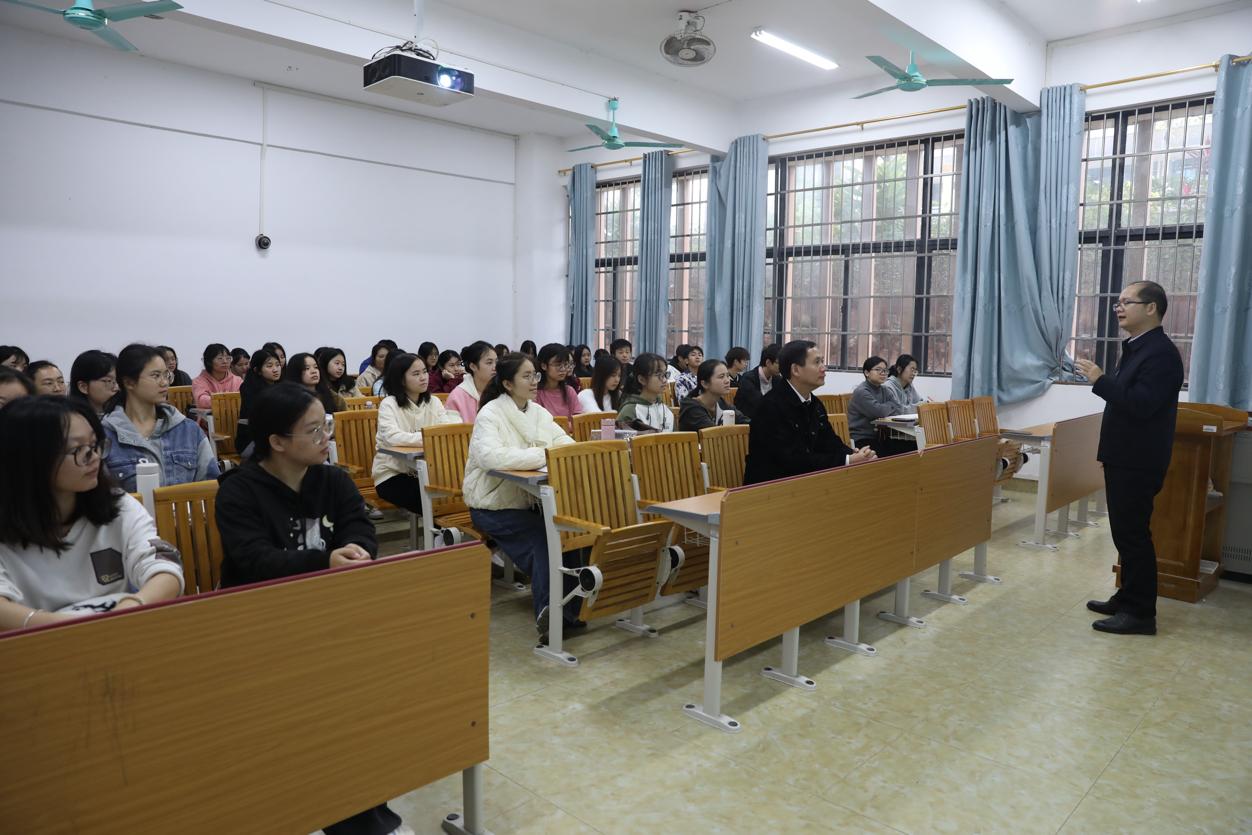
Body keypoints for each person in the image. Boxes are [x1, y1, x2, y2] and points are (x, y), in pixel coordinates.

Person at [214, 383, 410, 835]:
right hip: (261, 626)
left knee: (361, 709)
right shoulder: (239, 492)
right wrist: (325, 561)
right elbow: (255, 561)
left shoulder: (332, 479)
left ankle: (364, 811)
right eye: (314, 430)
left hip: (330, 618)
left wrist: (357, 550)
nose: (327, 437)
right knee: (309, 719)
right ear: (277, 441)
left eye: (327, 426)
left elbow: (360, 529)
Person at [0, 397, 184, 630]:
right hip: (37, 644)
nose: (95, 457)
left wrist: (135, 604)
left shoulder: (116, 505)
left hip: (117, 630)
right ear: (30, 459)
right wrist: (63, 627)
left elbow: (164, 567)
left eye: (95, 445)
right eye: (79, 450)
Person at [1076, 281, 1184, 637]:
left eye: (1126, 302)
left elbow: (1140, 405)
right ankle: (1127, 596)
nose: (1118, 308)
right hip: (1125, 456)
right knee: (1125, 535)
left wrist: (1100, 380)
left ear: (1151, 307)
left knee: (1134, 535)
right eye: (1117, 302)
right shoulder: (1138, 347)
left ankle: (1140, 614)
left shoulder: (1161, 354)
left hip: (1139, 460)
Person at [463, 353, 578, 638]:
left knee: (572, 534)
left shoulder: (538, 412)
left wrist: (546, 453)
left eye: (535, 375)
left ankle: (571, 611)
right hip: (492, 505)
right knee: (544, 539)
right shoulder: (490, 413)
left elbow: (566, 443)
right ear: (507, 384)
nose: (534, 381)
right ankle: (549, 614)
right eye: (526, 376)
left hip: (528, 502)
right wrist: (543, 454)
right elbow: (491, 457)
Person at [743, 341, 876, 484]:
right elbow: (792, 459)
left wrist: (854, 454)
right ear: (796, 370)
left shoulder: (814, 403)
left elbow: (829, 441)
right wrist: (847, 460)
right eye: (817, 362)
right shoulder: (771, 406)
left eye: (822, 361)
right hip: (771, 487)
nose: (824, 368)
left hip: (804, 481)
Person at [102, 344, 220, 491]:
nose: (164, 382)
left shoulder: (188, 430)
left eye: (166, 375)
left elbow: (211, 486)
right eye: (156, 375)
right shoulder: (105, 435)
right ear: (129, 382)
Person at [371, 354, 460, 514]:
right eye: (416, 374)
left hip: (428, 471)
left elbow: (446, 432)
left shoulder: (433, 402)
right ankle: (441, 529)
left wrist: (427, 437)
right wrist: (429, 438)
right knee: (437, 503)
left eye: (425, 372)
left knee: (458, 493)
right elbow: (392, 437)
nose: (423, 377)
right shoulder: (389, 404)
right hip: (392, 474)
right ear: (401, 379)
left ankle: (443, 528)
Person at [848, 356, 913, 457]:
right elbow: (879, 412)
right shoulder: (862, 392)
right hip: (862, 438)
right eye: (878, 369)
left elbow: (899, 408)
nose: (883, 373)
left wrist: (885, 407)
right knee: (891, 454)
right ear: (867, 373)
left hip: (880, 436)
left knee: (913, 446)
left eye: (885, 370)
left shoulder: (884, 389)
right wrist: (890, 405)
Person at [678, 359, 748, 431]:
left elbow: (744, 421)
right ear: (705, 384)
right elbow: (713, 433)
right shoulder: (692, 408)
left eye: (727, 376)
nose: (727, 381)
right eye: (721, 377)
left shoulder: (721, 403)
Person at [235, 348, 282, 452]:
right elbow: (256, 416)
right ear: (257, 370)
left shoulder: (281, 387)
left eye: (277, 365)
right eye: (269, 366)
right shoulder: (248, 388)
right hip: (252, 440)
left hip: (276, 437)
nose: (275, 369)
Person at [617, 353, 674, 433]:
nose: (664, 380)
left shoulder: (666, 409)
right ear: (642, 379)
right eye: (658, 375)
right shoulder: (630, 411)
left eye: (665, 374)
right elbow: (621, 438)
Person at [445, 341, 497, 424]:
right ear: (473, 366)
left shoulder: (502, 392)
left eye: (496, 362)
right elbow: (454, 430)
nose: (495, 367)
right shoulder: (457, 397)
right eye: (489, 363)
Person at [533, 343, 582, 421]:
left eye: (566, 364)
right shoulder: (536, 393)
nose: (563, 369)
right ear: (544, 366)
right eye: (558, 365)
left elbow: (578, 421)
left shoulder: (569, 391)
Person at [733, 343, 780, 419]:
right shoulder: (748, 379)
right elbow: (761, 403)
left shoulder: (777, 379)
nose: (782, 366)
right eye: (778, 363)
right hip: (747, 421)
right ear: (768, 362)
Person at [191, 343, 242, 410]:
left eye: (228, 358)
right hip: (211, 416)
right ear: (209, 361)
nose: (225, 361)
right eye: (220, 358)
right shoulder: (199, 381)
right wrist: (226, 400)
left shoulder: (237, 380)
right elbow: (201, 401)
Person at [69, 350, 117, 416]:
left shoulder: (122, 414)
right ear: (83, 387)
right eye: (108, 381)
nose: (116, 388)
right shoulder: (71, 419)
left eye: (118, 380)